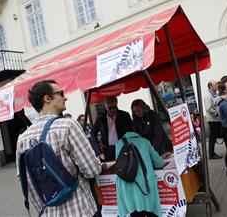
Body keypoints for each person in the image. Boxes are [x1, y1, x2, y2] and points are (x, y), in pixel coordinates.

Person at [16, 80, 102, 217]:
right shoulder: (68, 126)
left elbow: (28, 184)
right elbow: (92, 170)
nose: (65, 97)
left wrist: (44, 209)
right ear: (47, 98)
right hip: (79, 210)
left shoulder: (23, 139)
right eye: (61, 93)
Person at [116, 132, 164, 217]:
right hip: (145, 184)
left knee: (135, 214)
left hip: (126, 184)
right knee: (151, 213)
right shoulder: (144, 141)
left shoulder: (118, 144)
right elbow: (159, 163)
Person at [91, 96, 132, 161]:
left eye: (114, 107)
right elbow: (93, 132)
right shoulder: (101, 117)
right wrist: (98, 143)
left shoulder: (124, 115)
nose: (112, 109)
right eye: (110, 108)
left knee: (125, 165)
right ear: (105, 107)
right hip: (108, 148)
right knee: (111, 169)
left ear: (117, 104)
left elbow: (131, 130)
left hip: (123, 146)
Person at [204, 80, 223, 159]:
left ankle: (212, 153)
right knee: (213, 136)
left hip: (216, 119)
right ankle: (211, 154)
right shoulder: (208, 95)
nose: (217, 86)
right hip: (213, 120)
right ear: (211, 86)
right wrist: (217, 113)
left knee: (216, 135)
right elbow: (208, 108)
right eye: (215, 85)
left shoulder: (214, 94)